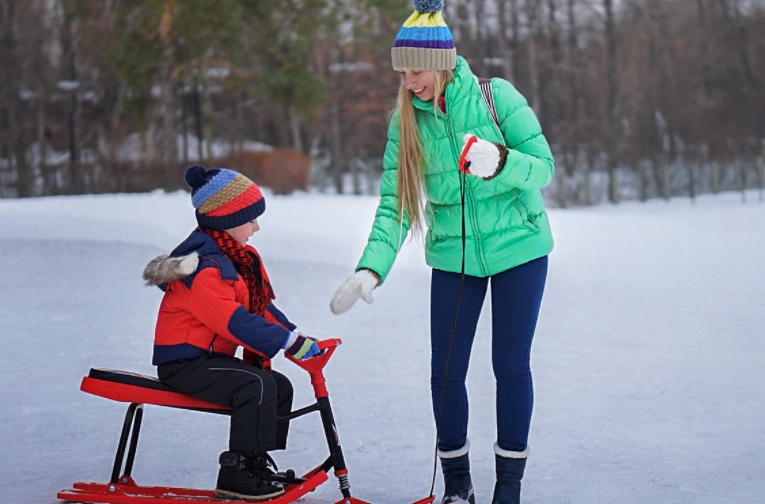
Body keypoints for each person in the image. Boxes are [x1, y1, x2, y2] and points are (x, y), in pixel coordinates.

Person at [329, 1, 554, 503]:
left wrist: (501, 161)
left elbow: (543, 167)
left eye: (416, 71)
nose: (409, 82)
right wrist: (371, 268)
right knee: (446, 371)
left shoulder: (498, 98)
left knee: (510, 365)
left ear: (442, 62)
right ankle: (458, 488)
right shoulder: (406, 124)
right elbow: (395, 205)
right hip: (454, 257)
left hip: (520, 248)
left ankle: (508, 490)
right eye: (402, 72)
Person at [143, 164, 321, 501]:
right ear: (226, 220)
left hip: (210, 361)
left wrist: (297, 338)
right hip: (185, 364)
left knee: (278, 386)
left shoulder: (233, 261)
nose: (257, 226)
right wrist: (284, 342)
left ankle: (254, 462)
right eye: (251, 218)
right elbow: (233, 320)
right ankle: (236, 471)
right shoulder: (203, 269)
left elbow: (259, 308)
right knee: (255, 384)